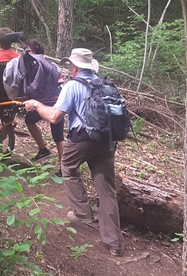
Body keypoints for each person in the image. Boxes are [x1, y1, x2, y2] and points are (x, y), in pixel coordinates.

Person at [24, 48, 123, 256]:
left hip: (81, 140)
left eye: (70, 65)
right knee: (106, 190)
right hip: (106, 140)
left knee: (67, 166)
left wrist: (36, 104)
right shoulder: (103, 84)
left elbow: (54, 117)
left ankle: (82, 213)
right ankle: (114, 243)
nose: (69, 68)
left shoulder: (72, 85)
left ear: (75, 67)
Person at [23, 39, 64, 168]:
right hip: (56, 100)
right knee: (58, 135)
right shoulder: (51, 63)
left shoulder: (30, 62)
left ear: (29, 50)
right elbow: (60, 80)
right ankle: (64, 170)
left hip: (41, 102)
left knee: (29, 120)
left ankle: (43, 149)